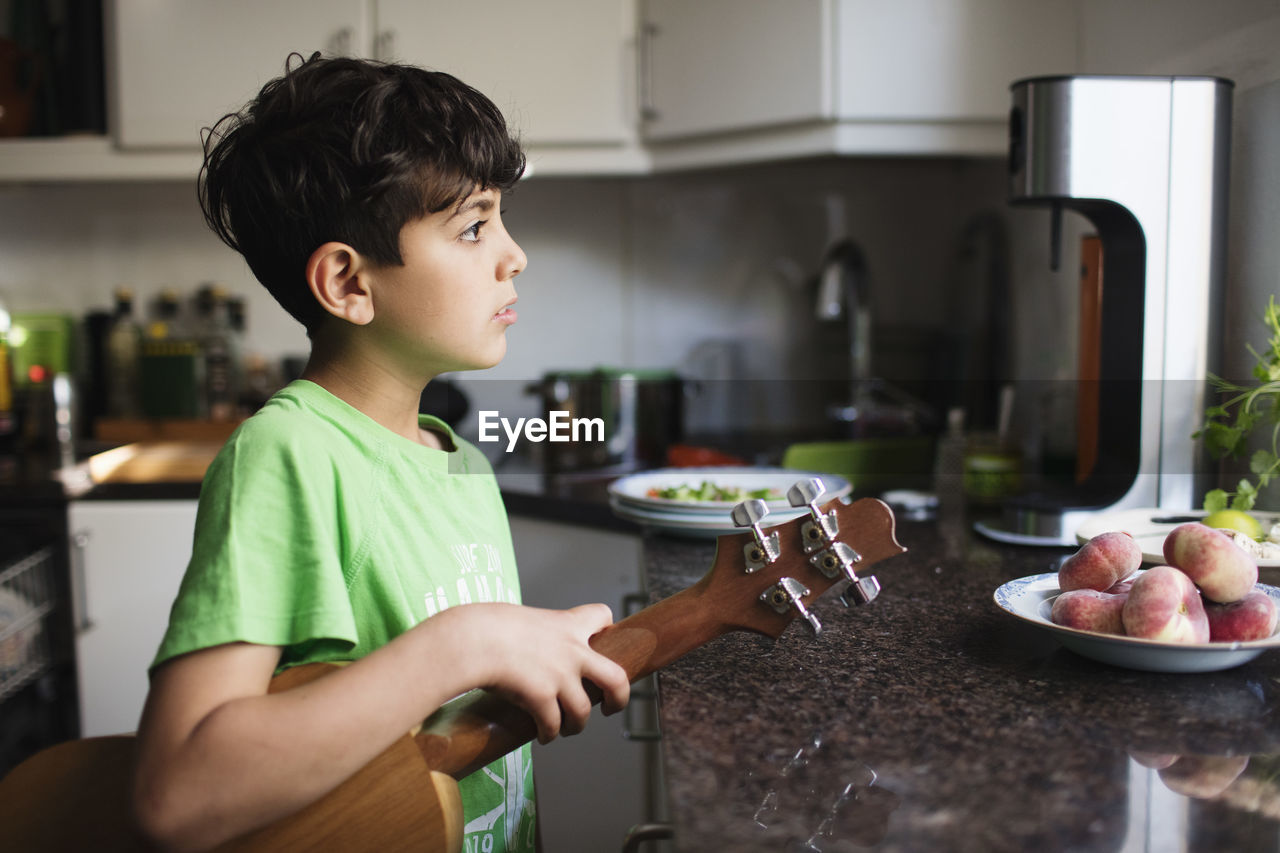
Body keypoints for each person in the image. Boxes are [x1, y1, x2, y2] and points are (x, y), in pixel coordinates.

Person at [131, 53, 630, 853]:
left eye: (501, 217)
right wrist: (471, 641)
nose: (514, 254)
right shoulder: (288, 453)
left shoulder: (457, 459)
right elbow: (178, 793)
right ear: (347, 284)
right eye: (473, 227)